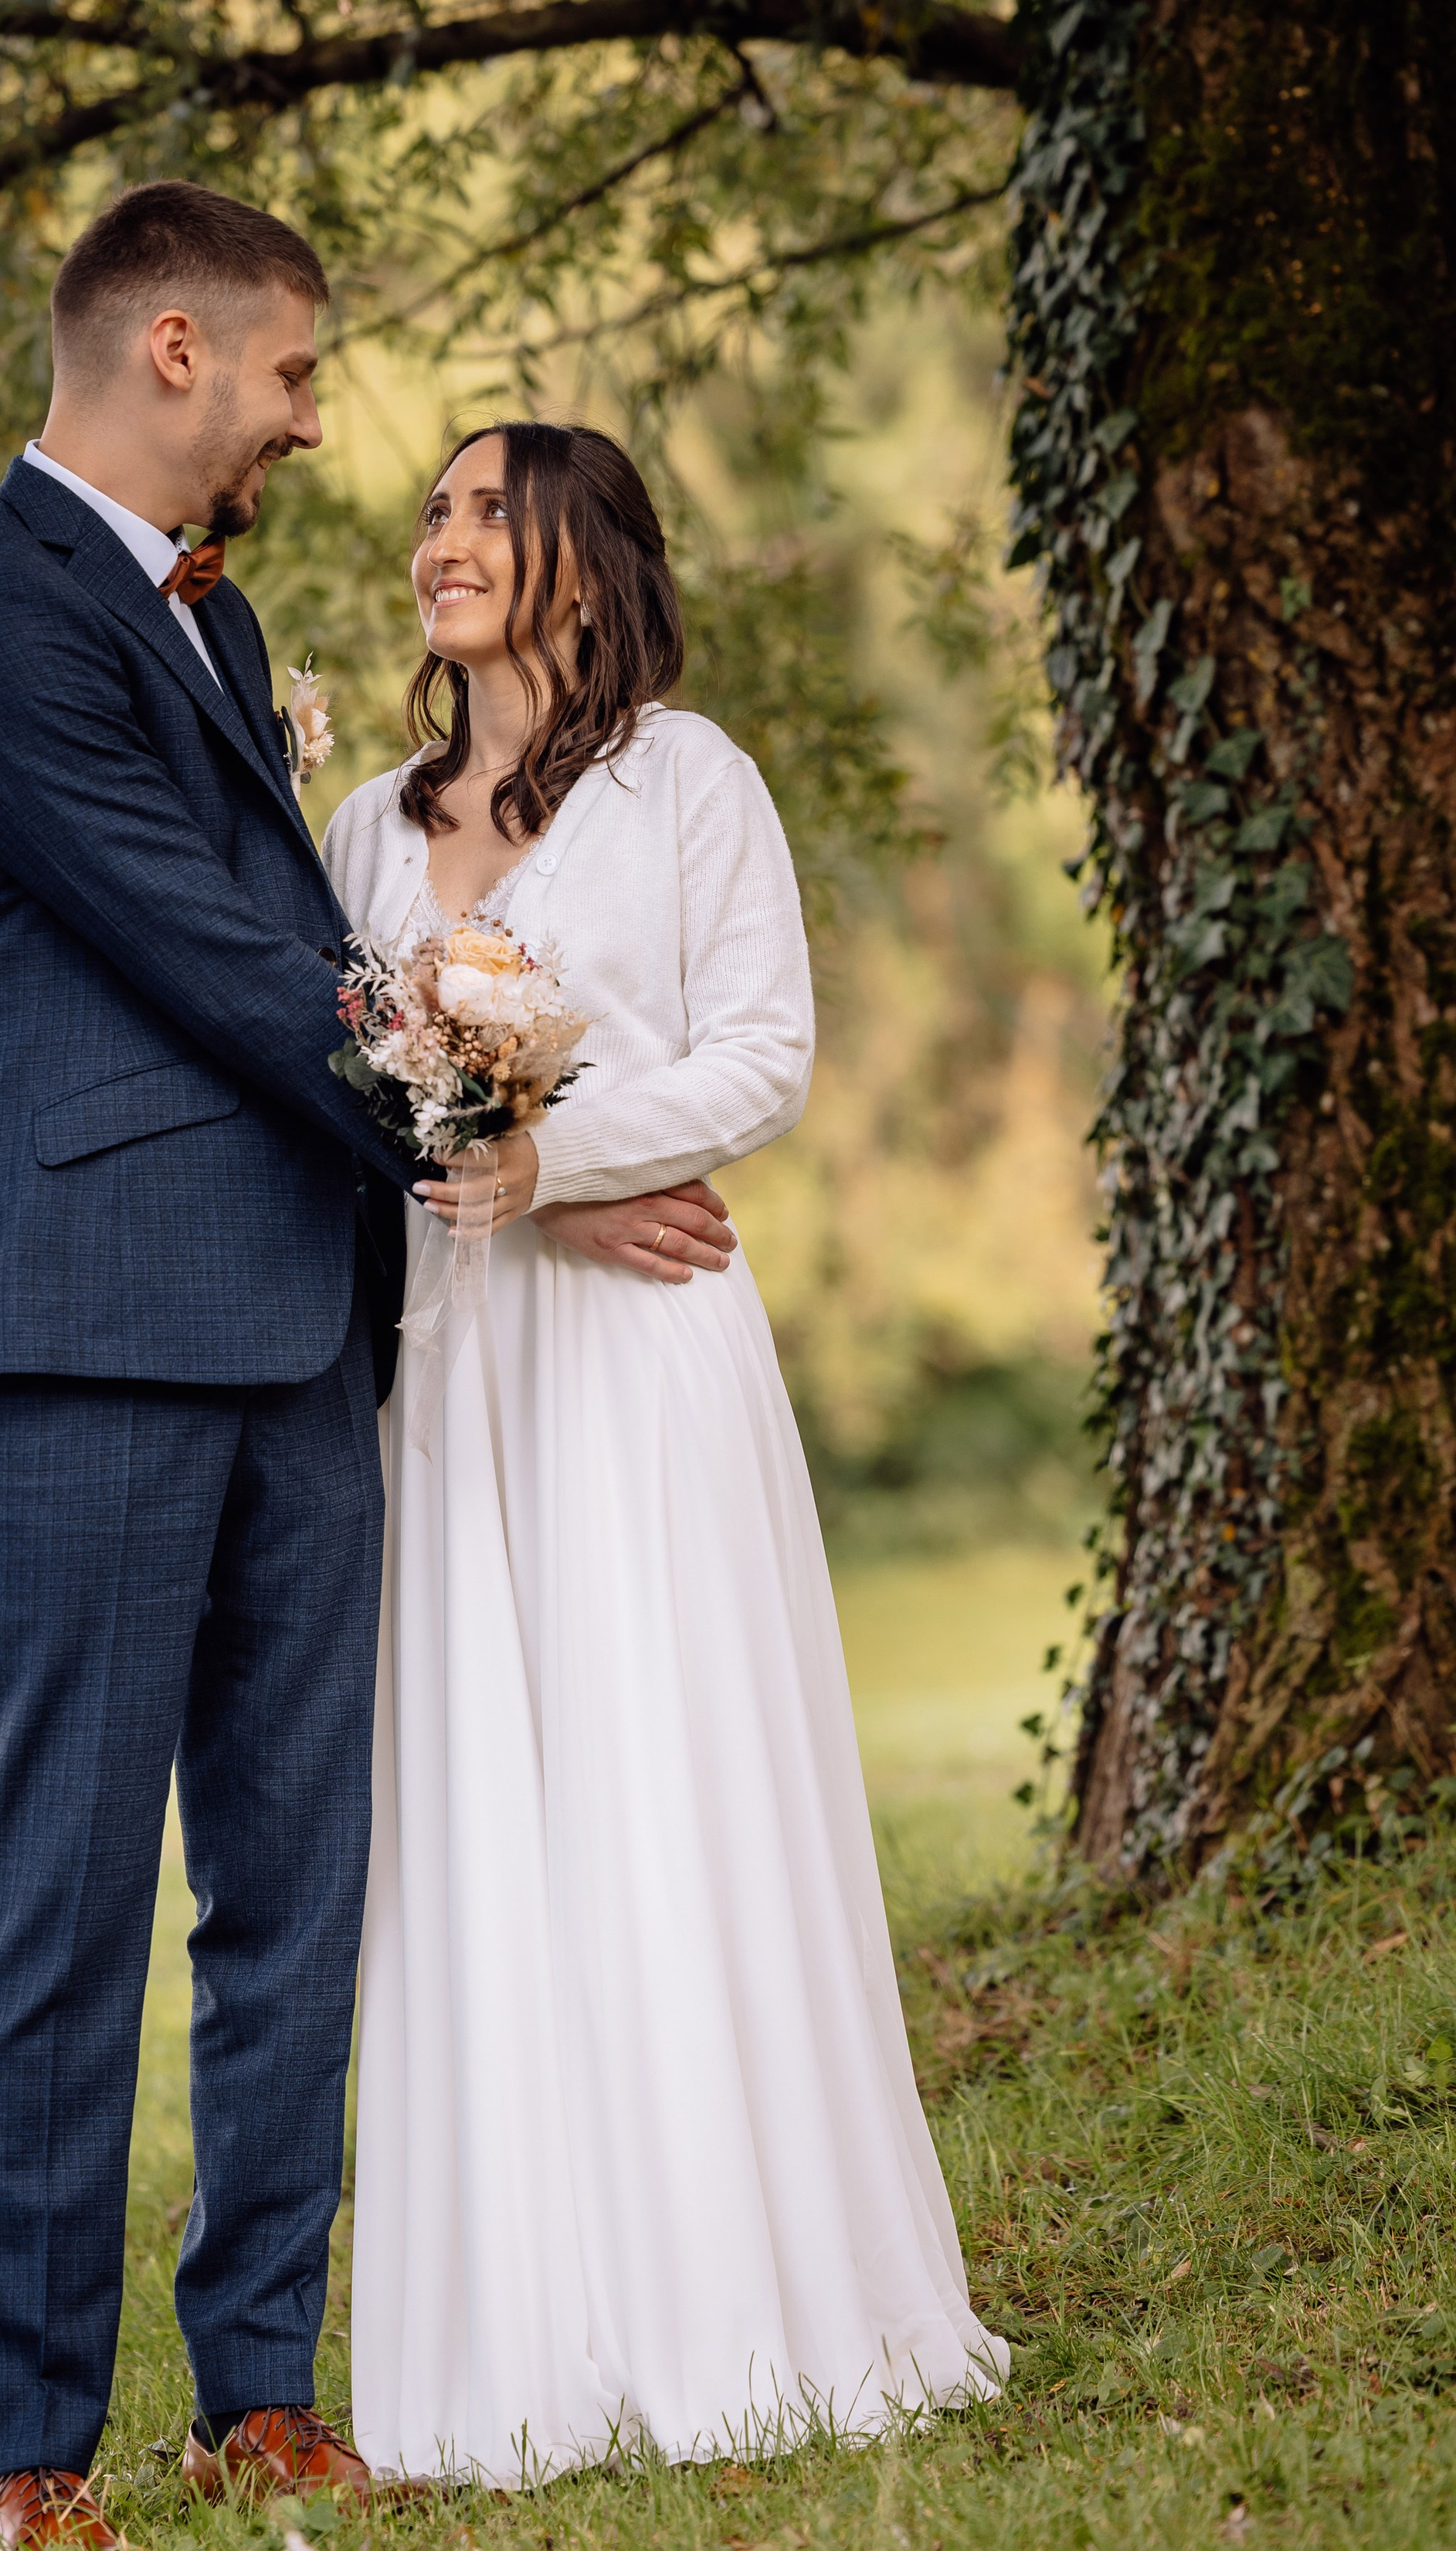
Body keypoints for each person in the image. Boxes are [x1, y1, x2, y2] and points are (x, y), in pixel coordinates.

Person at [0, 189, 732, 2544]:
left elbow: (304, 948)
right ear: (173, 349)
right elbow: (231, 969)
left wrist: (513, 1161)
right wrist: (522, 1145)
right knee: (60, 1894)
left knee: (295, 1887)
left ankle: (258, 2382)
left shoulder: (223, 627)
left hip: (297, 1331)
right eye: (291, 377)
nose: (311, 421)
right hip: (80, 1331)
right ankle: (36, 2455)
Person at [324, 423, 1007, 2488]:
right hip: (448, 1372)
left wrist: (565, 1162)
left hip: (642, 1363)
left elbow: (761, 1052)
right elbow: (343, 1089)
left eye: (482, 506)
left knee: (665, 1782)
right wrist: (489, 1175)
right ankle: (521, 2343)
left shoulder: (690, 783)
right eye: (429, 509)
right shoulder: (360, 823)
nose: (438, 538)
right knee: (482, 1800)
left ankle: (749, 2297)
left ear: (586, 564)